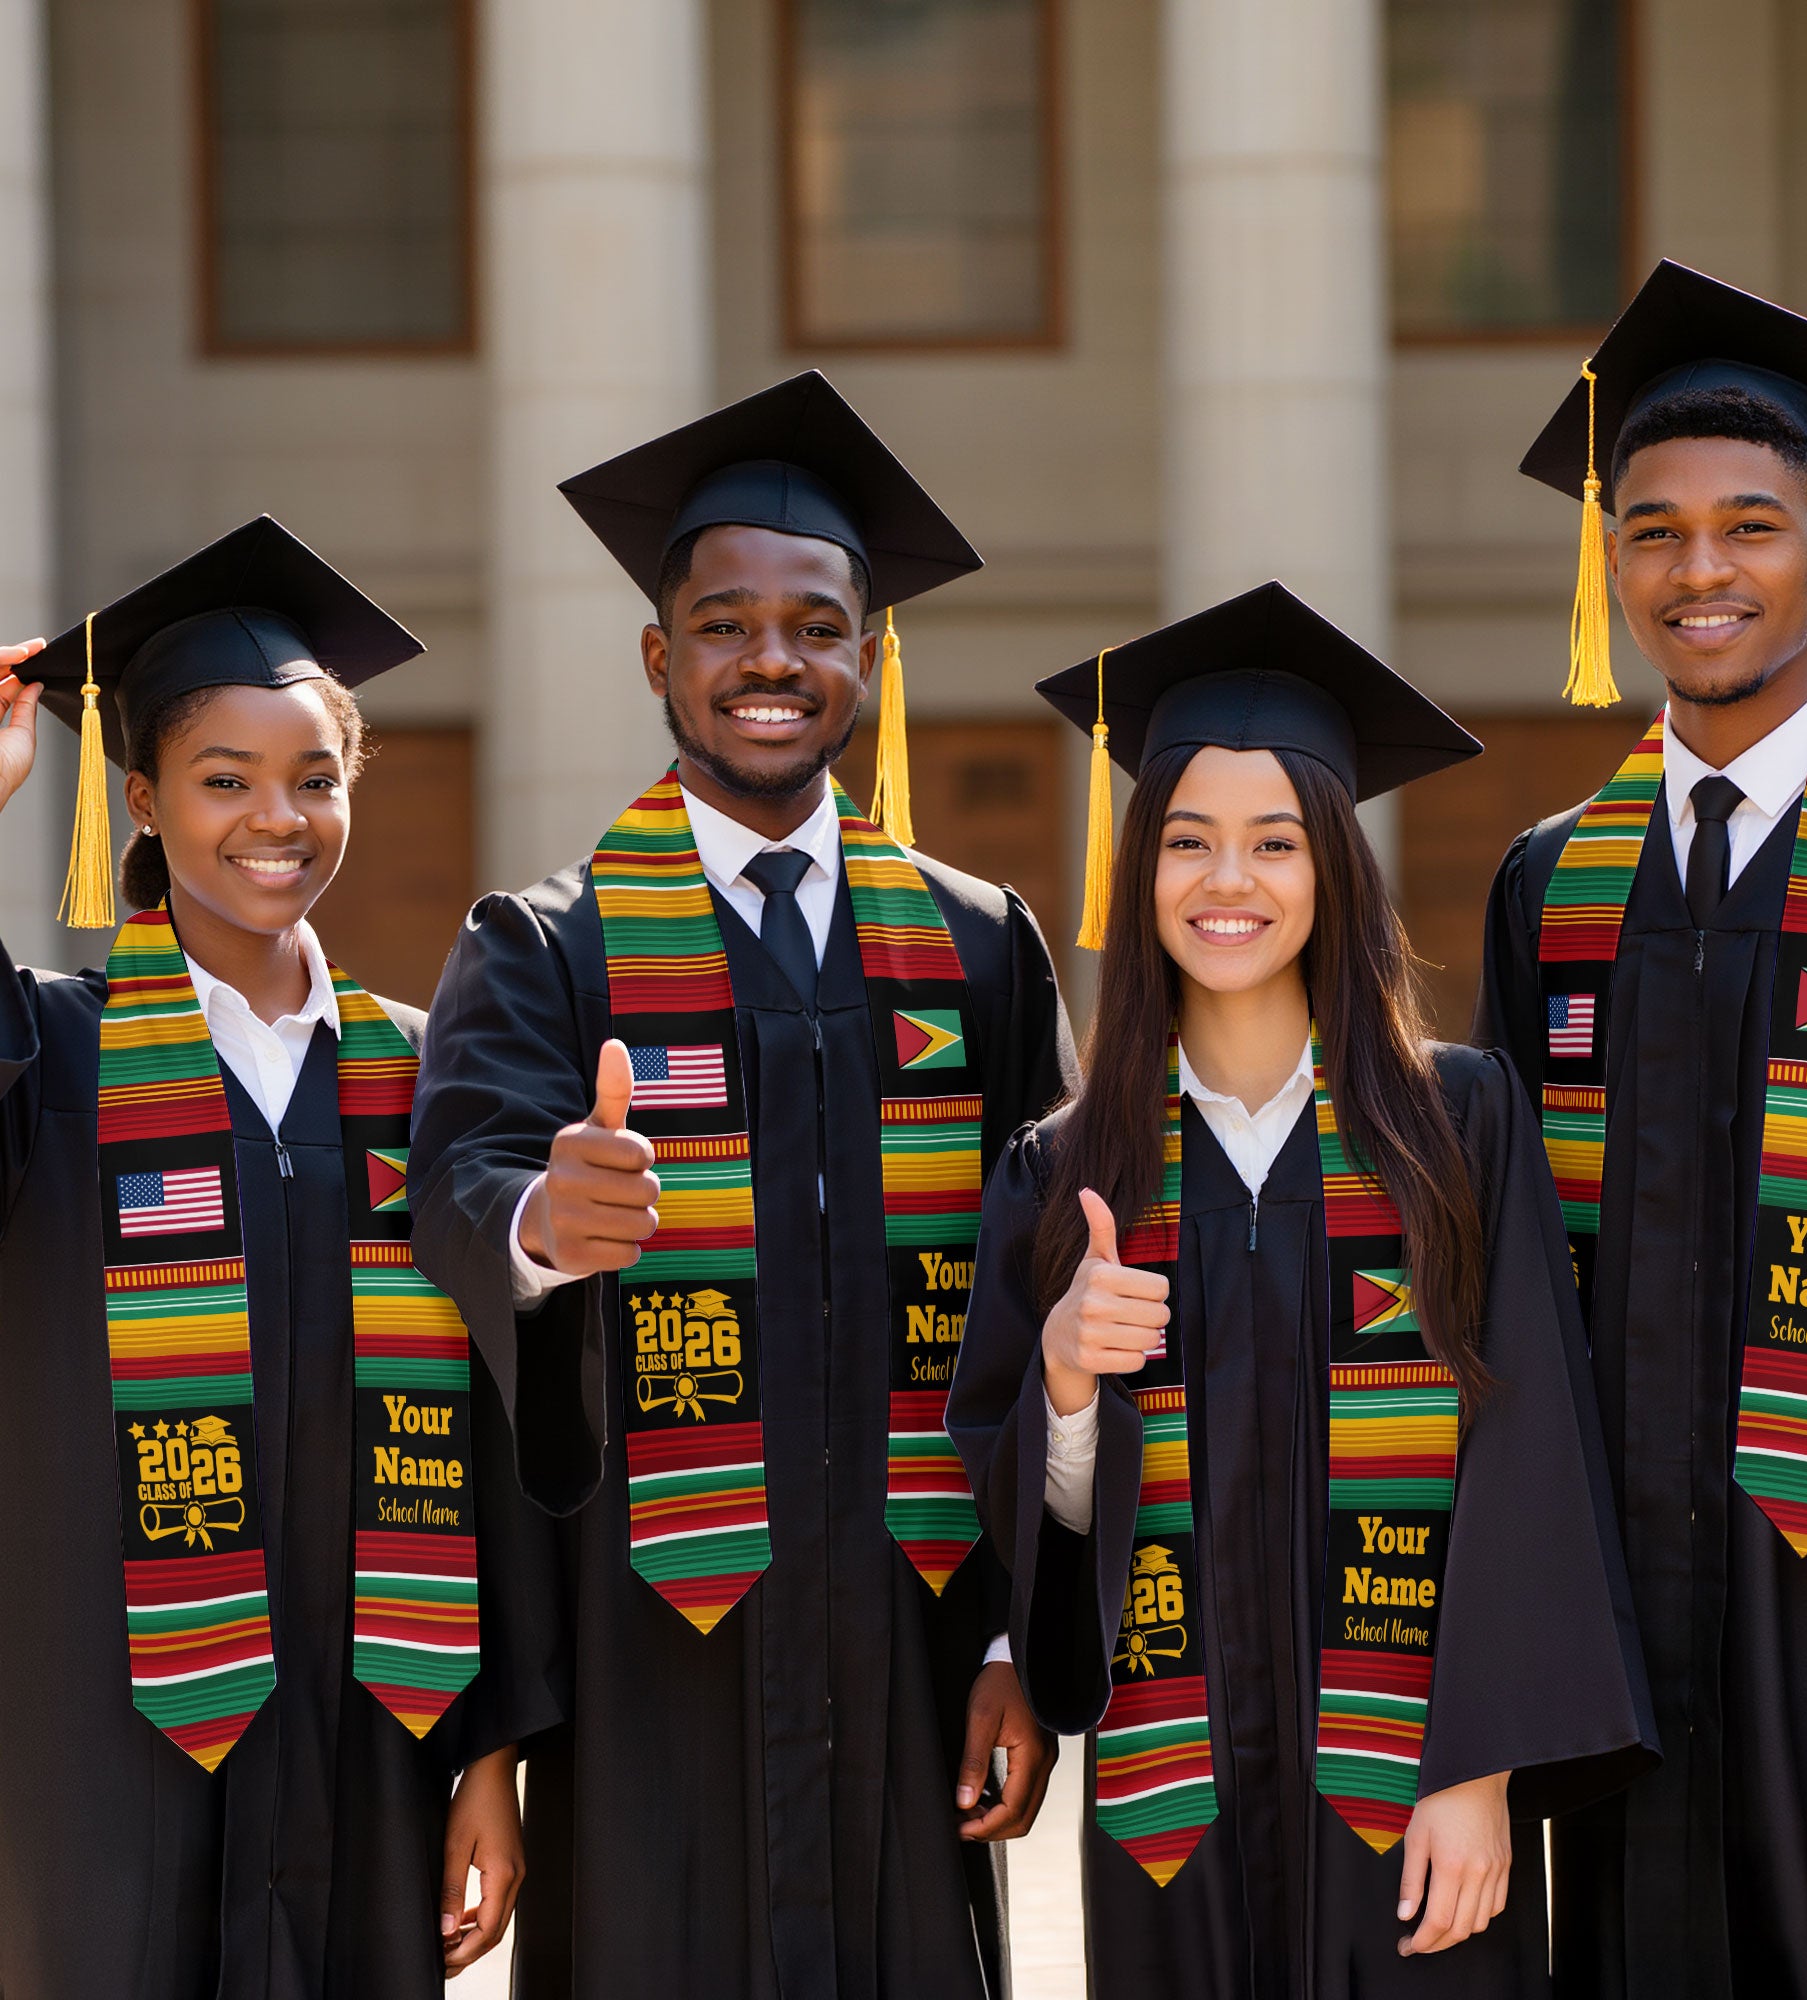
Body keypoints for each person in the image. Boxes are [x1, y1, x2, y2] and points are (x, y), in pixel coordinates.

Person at [407, 371, 1076, 1996]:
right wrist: (541, 1225)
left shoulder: (978, 946)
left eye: (815, 624)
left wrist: (1014, 1643)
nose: (770, 660)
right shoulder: (547, 948)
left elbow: (1051, 1294)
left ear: (870, 656)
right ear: (660, 655)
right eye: (722, 624)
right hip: (655, 1656)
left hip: (915, 1644)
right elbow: (459, 1186)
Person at [948, 582, 1654, 1999]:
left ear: (1333, 869)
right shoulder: (1067, 1166)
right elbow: (1031, 1522)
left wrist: (1479, 1767)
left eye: (1274, 843)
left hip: (1412, 1801)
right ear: (1139, 870)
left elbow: (1532, 1456)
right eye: (1190, 842)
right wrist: (1070, 1386)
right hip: (1172, 1817)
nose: (1230, 883)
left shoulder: (1461, 1128)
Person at [1477, 260, 1807, 2000]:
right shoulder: (1553, 886)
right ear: (1609, 558)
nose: (1701, 571)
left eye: (1752, 526)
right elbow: (1503, 1287)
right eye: (1654, 529)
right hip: (1622, 1623)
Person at [0, 516, 564, 1999]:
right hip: (97, 1740)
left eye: (316, 779)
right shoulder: (51, 1054)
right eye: (224, 780)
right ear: (139, 797)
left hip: (373, 1726)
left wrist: (494, 1759)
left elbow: (504, 1433)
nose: (277, 818)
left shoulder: (425, 1079)